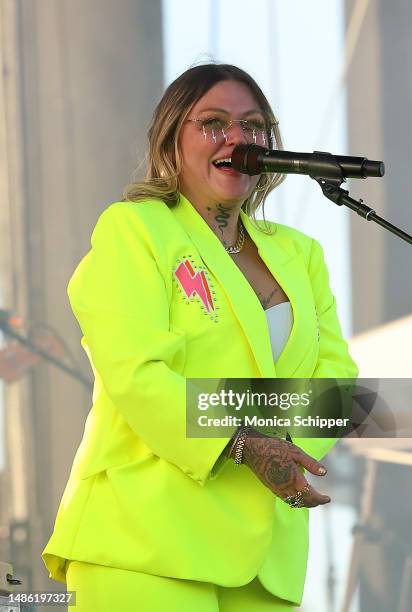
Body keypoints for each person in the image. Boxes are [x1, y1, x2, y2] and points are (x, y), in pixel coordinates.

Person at [42, 63, 358, 611]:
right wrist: (242, 440)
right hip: (145, 541)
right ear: (172, 140)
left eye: (254, 126)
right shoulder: (136, 229)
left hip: (266, 559)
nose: (238, 138)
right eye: (214, 122)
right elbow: (137, 373)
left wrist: (285, 453)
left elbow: (337, 384)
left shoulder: (300, 253)